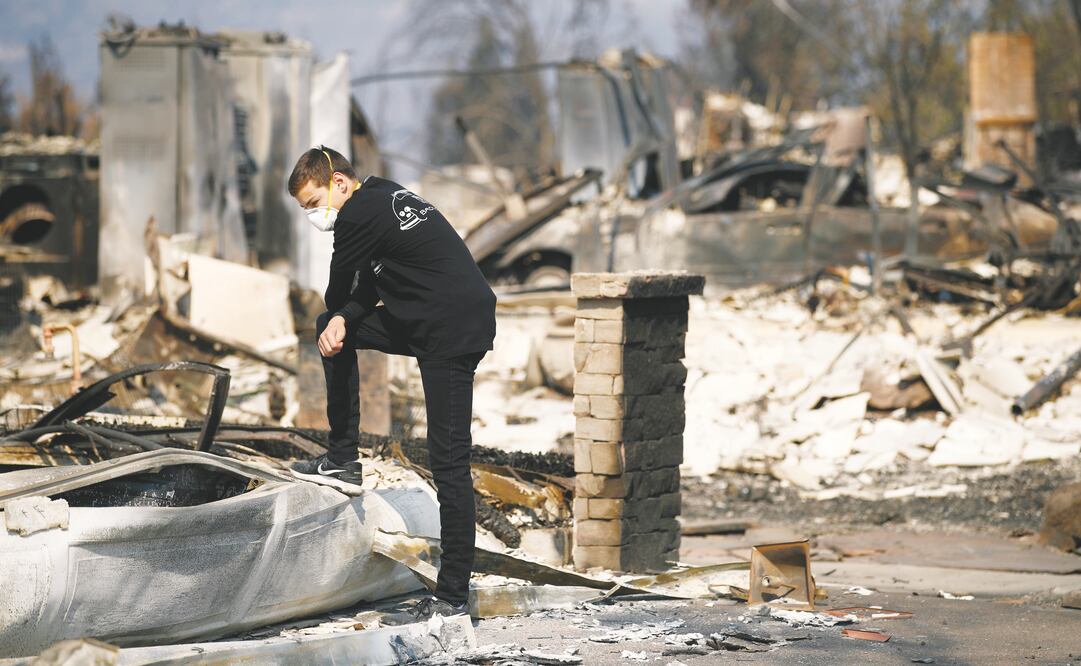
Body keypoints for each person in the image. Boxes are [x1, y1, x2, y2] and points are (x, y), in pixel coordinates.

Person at [286, 146, 496, 623]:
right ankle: (342, 459)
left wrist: (338, 315)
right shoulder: (380, 196)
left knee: (448, 458)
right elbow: (366, 292)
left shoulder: (359, 215)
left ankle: (453, 594)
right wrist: (341, 320)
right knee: (333, 326)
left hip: (449, 329)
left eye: (314, 203)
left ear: (339, 183)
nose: (314, 216)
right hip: (431, 318)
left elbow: (342, 287)